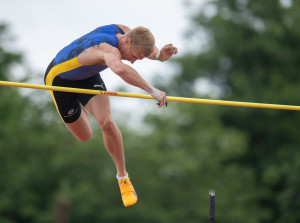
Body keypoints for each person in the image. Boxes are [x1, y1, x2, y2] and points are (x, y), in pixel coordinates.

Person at [44, 24, 178, 207]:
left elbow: (144, 46)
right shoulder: (107, 49)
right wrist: (151, 90)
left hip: (88, 76)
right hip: (59, 80)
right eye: (133, 57)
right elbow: (121, 70)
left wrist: (160, 57)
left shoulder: (124, 31)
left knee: (106, 122)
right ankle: (80, 104)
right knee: (85, 136)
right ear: (127, 41)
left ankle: (123, 178)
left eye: (138, 59)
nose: (132, 61)